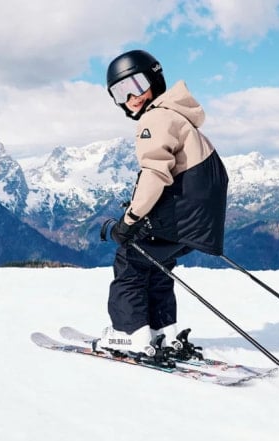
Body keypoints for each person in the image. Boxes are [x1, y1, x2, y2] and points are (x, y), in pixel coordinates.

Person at [97, 49, 229, 359]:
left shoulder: (154, 118)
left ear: (154, 80)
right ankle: (162, 331)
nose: (131, 98)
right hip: (197, 217)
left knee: (130, 258)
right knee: (156, 263)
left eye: (136, 85)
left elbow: (155, 174)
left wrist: (130, 220)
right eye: (120, 92)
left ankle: (129, 334)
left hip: (181, 213)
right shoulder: (179, 118)